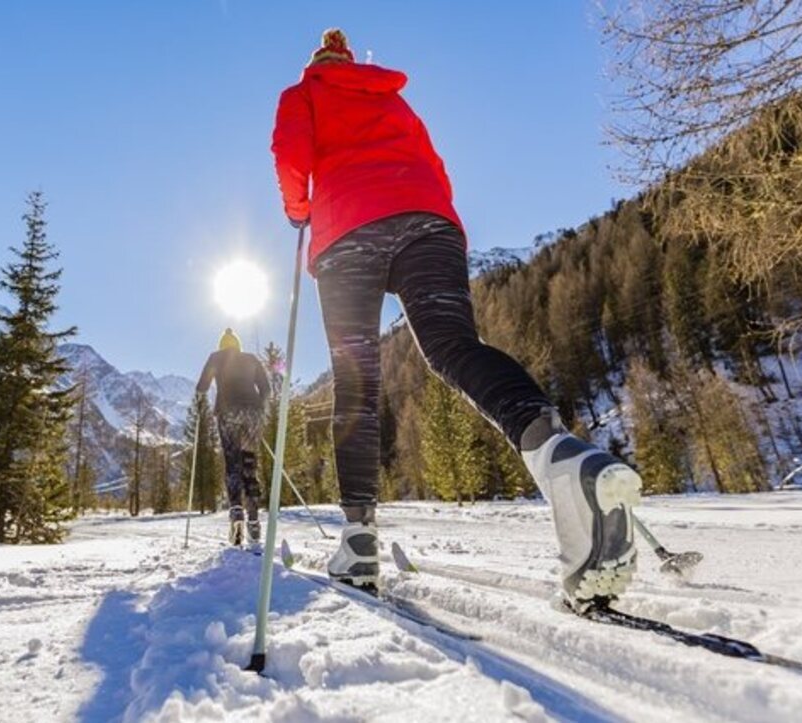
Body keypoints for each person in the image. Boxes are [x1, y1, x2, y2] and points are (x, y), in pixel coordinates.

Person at [270, 29, 643, 610]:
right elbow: (434, 165)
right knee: (451, 345)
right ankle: (559, 456)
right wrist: (427, 210)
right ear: (349, 60)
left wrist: (298, 210)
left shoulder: (304, 93)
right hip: (428, 220)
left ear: (318, 61)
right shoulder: (389, 95)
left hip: (349, 234)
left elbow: (290, 155)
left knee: (358, 380)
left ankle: (359, 539)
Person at [196, 328, 272, 545]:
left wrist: (202, 394)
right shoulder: (251, 359)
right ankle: (254, 521)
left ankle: (236, 515)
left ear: (222, 345)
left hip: (228, 412)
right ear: (238, 345)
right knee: (249, 464)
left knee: (232, 462)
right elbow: (266, 390)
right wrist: (259, 410)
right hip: (253, 414)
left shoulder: (216, 357)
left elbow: (202, 386)